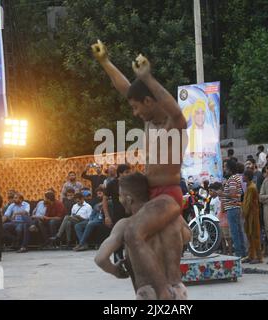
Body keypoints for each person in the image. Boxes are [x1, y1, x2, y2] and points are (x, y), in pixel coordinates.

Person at [92, 40, 189, 300]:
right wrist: (105, 62)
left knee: (134, 232)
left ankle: (163, 294)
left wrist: (148, 77)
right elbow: (127, 88)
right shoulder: (149, 122)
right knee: (130, 230)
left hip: (168, 195)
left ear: (149, 101)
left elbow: (178, 114)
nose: (134, 112)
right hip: (150, 195)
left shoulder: (172, 125)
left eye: (136, 107)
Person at [95, 173, 191, 300]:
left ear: (129, 199)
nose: (120, 200)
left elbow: (100, 259)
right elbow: (188, 237)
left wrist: (116, 270)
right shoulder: (174, 219)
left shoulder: (125, 225)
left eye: (120, 196)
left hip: (149, 294)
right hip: (176, 292)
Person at [221, 159, 246, 258]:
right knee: (238, 231)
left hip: (232, 208)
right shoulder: (236, 178)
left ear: (229, 169)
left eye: (225, 167)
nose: (224, 169)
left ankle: (239, 254)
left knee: (235, 232)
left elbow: (233, 194)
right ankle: (242, 253)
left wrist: (221, 193)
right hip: (235, 207)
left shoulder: (232, 179)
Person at [74, 187, 106, 251]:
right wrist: (90, 220)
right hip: (93, 220)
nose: (98, 195)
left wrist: (91, 221)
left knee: (90, 224)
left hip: (101, 219)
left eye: (100, 193)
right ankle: (84, 244)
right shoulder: (96, 204)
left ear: (104, 194)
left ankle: (81, 244)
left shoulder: (109, 202)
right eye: (97, 194)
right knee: (78, 226)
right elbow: (92, 215)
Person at [242, 169, 262, 264]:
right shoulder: (248, 186)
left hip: (252, 215)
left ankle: (259, 257)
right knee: (249, 236)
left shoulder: (251, 187)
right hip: (248, 215)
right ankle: (251, 255)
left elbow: (248, 203)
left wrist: (244, 213)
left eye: (244, 175)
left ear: (247, 177)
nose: (242, 177)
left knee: (255, 236)